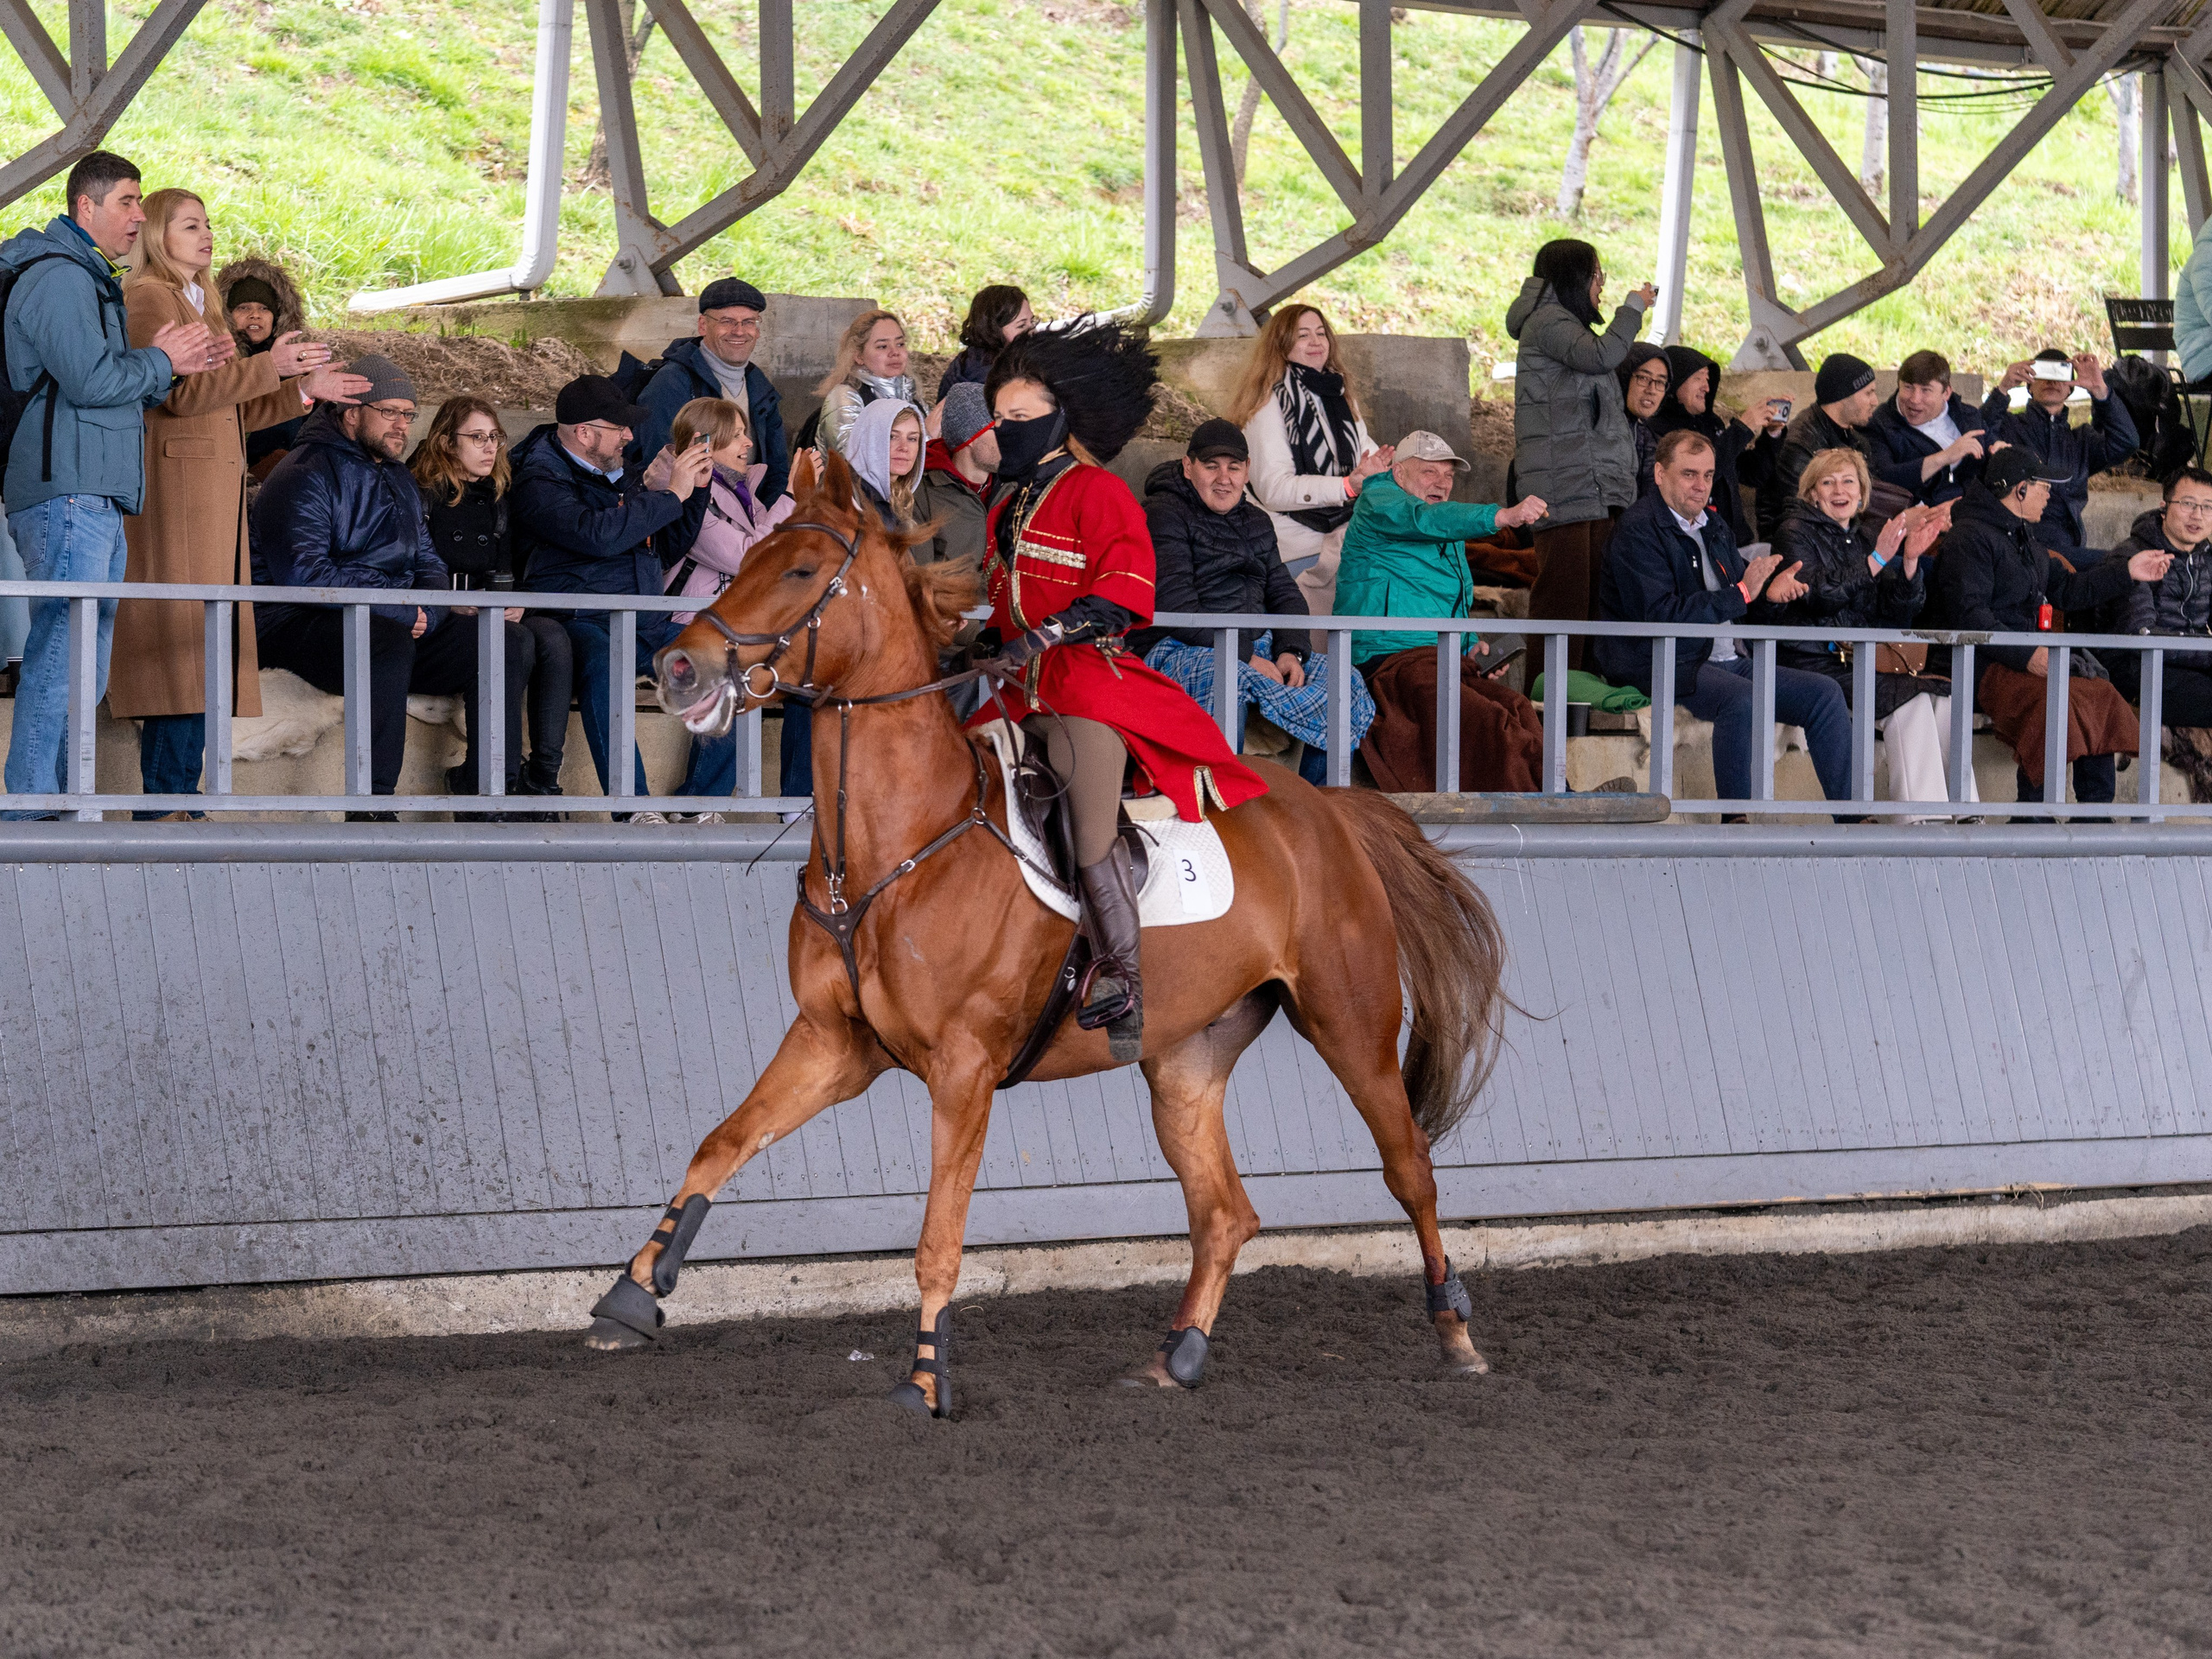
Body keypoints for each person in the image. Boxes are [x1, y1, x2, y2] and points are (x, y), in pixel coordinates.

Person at [969, 320, 1268, 1058]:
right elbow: (1007, 602)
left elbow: (1125, 595)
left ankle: (1121, 976)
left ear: (1059, 419)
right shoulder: (1005, 507)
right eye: (998, 419)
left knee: (1088, 813)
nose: (1004, 431)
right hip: (1016, 694)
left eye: (1019, 418)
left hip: (1084, 691)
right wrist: (986, 642)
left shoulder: (1098, 492)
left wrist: (1045, 635)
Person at [111, 188, 367, 820]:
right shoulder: (147, 295)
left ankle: (180, 800)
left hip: (212, 497)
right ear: (157, 236)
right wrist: (269, 364)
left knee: (205, 649)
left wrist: (301, 388)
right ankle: (167, 805)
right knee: (184, 652)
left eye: (207, 225)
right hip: (177, 496)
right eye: (190, 225)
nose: (206, 236)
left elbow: (236, 407)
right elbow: (176, 394)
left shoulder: (206, 303)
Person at [0, 149, 224, 821]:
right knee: (64, 659)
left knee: (82, 664)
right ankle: (31, 814)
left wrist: (162, 363)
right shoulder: (62, 279)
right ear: (85, 207)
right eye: (127, 202)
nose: (137, 216)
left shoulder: (83, 277)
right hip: (68, 490)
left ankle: (66, 807)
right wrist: (163, 360)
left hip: (90, 489)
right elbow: (93, 382)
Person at [250, 357, 529, 816]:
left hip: (392, 623)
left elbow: (428, 561)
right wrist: (401, 611)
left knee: (503, 640)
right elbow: (304, 576)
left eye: (408, 414)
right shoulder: (305, 471)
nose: (402, 425)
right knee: (386, 640)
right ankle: (371, 804)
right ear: (351, 412)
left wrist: (431, 611)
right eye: (389, 412)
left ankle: (488, 796)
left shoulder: (399, 476)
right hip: (298, 624)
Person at [1597, 429, 1855, 812]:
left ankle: (1853, 821)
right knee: (1742, 699)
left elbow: (1744, 605)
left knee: (1824, 694)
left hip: (1725, 661)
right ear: (1659, 474)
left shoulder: (1713, 526)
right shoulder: (1638, 530)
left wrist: (1769, 595)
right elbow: (1661, 615)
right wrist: (1742, 593)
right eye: (1688, 474)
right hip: (1663, 661)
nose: (1701, 486)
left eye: (1707, 475)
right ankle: (1736, 823)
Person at [1924, 445, 2170, 809]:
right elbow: (1969, 615)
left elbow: (2069, 590)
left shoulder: (2026, 540)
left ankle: (2096, 815)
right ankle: (2033, 813)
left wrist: (2127, 571)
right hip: (1976, 663)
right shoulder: (1969, 538)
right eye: (2043, 485)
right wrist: (2027, 655)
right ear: (2019, 489)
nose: (2050, 493)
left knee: (2099, 692)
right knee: (2053, 701)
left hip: (2025, 659)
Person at [510, 373, 712, 815]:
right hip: (578, 622)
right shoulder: (538, 482)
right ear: (584, 433)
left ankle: (703, 801)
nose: (630, 435)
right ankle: (633, 808)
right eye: (618, 428)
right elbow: (597, 536)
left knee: (725, 657)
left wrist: (691, 490)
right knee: (606, 663)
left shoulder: (618, 474)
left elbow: (664, 549)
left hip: (641, 620)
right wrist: (666, 495)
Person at [1136, 419, 1373, 786]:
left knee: (1345, 679)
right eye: (1211, 466)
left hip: (1251, 644)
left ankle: (1322, 803)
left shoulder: (1257, 521)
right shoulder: (1163, 513)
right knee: (1224, 676)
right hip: (1182, 644)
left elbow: (1284, 592)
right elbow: (1178, 608)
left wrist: (1290, 651)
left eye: (1234, 467)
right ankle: (1223, 804)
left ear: (1248, 471)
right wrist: (1247, 657)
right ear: (1188, 466)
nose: (1224, 478)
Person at [1334, 430, 1551, 792]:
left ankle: (1564, 797)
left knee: (1516, 707)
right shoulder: (1379, 499)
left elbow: (1456, 601)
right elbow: (1422, 520)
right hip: (1388, 659)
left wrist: (1470, 645)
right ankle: (1550, 806)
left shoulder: (1446, 526)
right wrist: (1502, 515)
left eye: (1448, 475)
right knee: (1485, 717)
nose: (1442, 483)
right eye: (1429, 472)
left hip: (1441, 660)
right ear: (1400, 474)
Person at [1769, 448, 1973, 814]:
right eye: (1827, 482)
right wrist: (1877, 560)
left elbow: (1896, 613)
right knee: (1908, 699)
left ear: (1862, 494)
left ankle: (1966, 810)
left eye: (1848, 481)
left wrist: (1909, 562)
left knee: (1942, 694)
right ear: (1813, 493)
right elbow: (1821, 597)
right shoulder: (1793, 532)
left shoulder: (1865, 538)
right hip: (1812, 659)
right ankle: (1919, 816)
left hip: (1860, 659)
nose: (1839, 489)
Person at [410, 396, 572, 810]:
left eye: (495, 437)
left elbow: (505, 568)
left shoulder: (498, 494)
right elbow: (406, 565)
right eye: (477, 437)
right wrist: (452, 601)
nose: (489, 447)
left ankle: (543, 780)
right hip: (436, 617)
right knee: (512, 640)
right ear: (447, 442)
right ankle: (491, 783)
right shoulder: (421, 491)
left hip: (488, 608)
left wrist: (513, 599)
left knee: (552, 636)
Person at [1506, 238, 1653, 670]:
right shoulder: (1548, 321)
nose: (1601, 284)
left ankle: (1580, 707)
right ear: (1574, 277)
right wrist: (1634, 307)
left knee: (1592, 606)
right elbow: (1603, 354)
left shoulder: (1564, 325)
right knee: (1563, 603)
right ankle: (1546, 708)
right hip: (1563, 488)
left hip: (1589, 488)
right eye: (1596, 274)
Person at [1227, 302, 1389, 613]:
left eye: (1320, 333)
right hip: (1296, 550)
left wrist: (1390, 469)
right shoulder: (1267, 403)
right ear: (1282, 345)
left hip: (1346, 538)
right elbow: (1274, 489)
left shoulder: (1338, 394)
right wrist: (1346, 487)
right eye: (1303, 335)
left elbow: (1365, 454)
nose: (1316, 342)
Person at [634, 276, 790, 507]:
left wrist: (768, 514)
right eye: (727, 321)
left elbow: (777, 466)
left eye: (748, 322)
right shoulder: (672, 383)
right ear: (703, 325)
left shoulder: (759, 384)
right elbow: (659, 468)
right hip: (697, 515)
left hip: (751, 511)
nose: (739, 331)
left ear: (757, 330)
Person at [1980, 347, 2139, 550]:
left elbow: (2127, 442)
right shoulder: (2009, 427)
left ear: (2071, 388)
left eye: (2060, 374)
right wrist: (2002, 389)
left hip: (2066, 542)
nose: (2051, 382)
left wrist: (2100, 392)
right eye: (2044, 373)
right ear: (2029, 385)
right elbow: (1977, 434)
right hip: (2016, 539)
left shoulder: (2082, 441)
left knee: (2116, 567)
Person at [659, 395, 796, 623]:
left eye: (744, 433)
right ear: (704, 444)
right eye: (736, 435)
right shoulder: (679, 494)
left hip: (733, 617)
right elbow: (749, 557)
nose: (749, 442)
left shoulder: (740, 489)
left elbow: (779, 554)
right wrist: (791, 495)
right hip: (690, 625)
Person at [1652, 346, 1787, 543]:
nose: (1706, 387)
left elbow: (1752, 474)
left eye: (1708, 378)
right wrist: (1743, 428)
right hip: (1697, 542)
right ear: (1675, 381)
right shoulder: (1659, 430)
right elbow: (1705, 471)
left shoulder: (1712, 423)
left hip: (1735, 540)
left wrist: (1772, 433)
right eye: (1698, 378)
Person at [2110, 466, 2212, 728]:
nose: (2198, 515)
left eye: (2208, 507)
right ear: (2163, 507)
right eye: (2188, 504)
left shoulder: (2207, 560)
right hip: (2142, 669)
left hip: (2194, 667)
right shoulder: (2135, 557)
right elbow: (2141, 634)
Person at [1758, 352, 1881, 538]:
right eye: (1868, 393)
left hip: (1839, 537)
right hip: (1799, 546)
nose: (1875, 401)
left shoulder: (1855, 439)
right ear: (1843, 397)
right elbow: (1799, 512)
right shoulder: (1801, 444)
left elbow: (1867, 496)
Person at [214, 255, 308, 474]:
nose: (255, 315)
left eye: (264, 309)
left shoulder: (298, 363)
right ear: (227, 315)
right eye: (244, 308)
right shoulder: (220, 362)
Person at [1866, 349, 1987, 508]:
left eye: (1926, 390)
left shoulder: (1965, 414)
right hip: (1926, 513)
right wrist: (1945, 457)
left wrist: (1998, 447)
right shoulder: (1881, 425)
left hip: (1974, 505)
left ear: (1946, 393)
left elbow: (1990, 441)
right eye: (1908, 387)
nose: (1915, 399)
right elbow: (1885, 477)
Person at [803, 308, 915, 458]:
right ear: (859, 356)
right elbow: (853, 458)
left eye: (900, 344)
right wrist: (928, 435)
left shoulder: (909, 392)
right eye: (882, 346)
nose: (895, 352)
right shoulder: (844, 396)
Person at [915, 380, 996, 564]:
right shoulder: (921, 494)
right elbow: (922, 578)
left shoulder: (1016, 487)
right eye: (997, 429)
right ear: (971, 438)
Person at [937, 284, 1033, 400]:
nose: (1032, 330)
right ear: (994, 329)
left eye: (1032, 321)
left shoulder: (969, 358)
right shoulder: (992, 375)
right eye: (1021, 325)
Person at [844, 397, 927, 529]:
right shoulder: (846, 497)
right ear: (869, 439)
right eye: (892, 437)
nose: (904, 447)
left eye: (912, 439)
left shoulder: (907, 498)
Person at [1618, 343, 1670, 500]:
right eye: (1643, 378)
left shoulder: (1649, 436)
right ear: (1624, 377)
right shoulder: (1600, 431)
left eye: (1660, 382)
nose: (1652, 389)